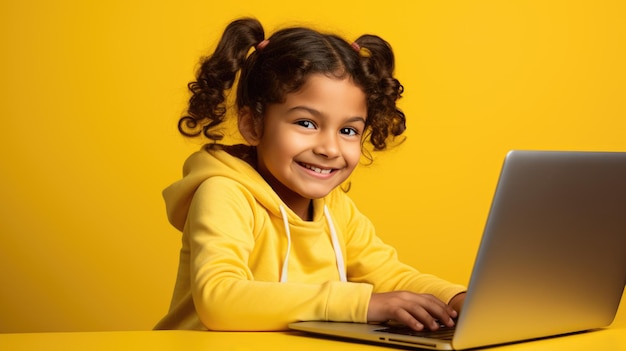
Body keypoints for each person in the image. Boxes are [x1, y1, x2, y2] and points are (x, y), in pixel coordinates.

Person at [155, 17, 466, 332]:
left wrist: (458, 300)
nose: (330, 148)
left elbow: (392, 276)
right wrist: (363, 304)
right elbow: (219, 300)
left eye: (347, 130)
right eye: (306, 123)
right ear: (253, 125)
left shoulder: (336, 210)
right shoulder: (224, 194)